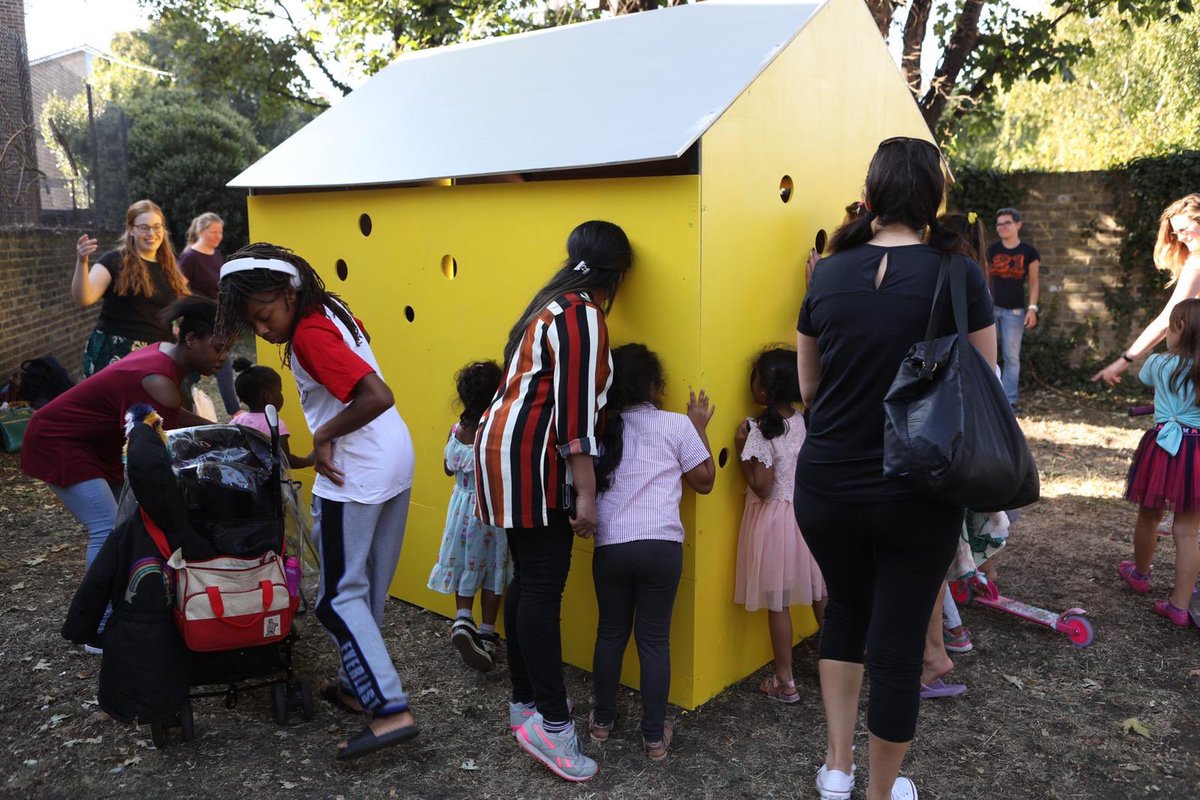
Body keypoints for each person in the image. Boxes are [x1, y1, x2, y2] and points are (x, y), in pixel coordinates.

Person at [795, 136, 996, 800]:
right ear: (933, 196)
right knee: (901, 638)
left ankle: (835, 770)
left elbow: (809, 389)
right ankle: (881, 792)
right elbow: (987, 382)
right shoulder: (957, 272)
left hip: (825, 482)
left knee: (845, 611)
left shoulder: (825, 272)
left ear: (872, 191)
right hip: (916, 486)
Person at [215, 242, 418, 761]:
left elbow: (376, 395)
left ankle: (390, 708)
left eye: (264, 315)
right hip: (393, 457)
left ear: (289, 292)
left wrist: (324, 434)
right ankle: (356, 687)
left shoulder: (306, 333)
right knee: (366, 588)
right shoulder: (330, 309)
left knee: (336, 597)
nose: (262, 330)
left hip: (356, 470)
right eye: (251, 324)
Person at [475, 220, 633, 783]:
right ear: (619, 275)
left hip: (504, 454)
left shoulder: (549, 303)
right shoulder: (582, 315)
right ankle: (554, 725)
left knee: (528, 579)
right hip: (533, 460)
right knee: (543, 585)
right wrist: (586, 492)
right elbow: (574, 414)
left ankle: (524, 704)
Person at [22, 296, 228, 653]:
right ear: (192, 339)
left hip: (94, 442)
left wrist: (220, 431)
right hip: (60, 440)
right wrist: (221, 441)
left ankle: (126, 607)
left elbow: (176, 417)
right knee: (107, 526)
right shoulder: (158, 381)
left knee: (130, 520)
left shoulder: (164, 353)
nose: (222, 358)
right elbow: (167, 443)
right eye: (218, 348)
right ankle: (97, 630)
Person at [588, 344, 715, 762]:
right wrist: (699, 427)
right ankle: (655, 740)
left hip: (611, 545)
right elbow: (704, 480)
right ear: (657, 387)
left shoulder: (601, 427)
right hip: (661, 546)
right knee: (654, 641)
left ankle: (602, 723)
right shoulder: (676, 425)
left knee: (610, 634)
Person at [733, 347, 825, 704]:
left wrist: (743, 452)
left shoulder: (759, 430)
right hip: (805, 515)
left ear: (764, 390)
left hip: (773, 521)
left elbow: (762, 486)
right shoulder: (803, 420)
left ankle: (785, 681)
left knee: (778, 604)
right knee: (821, 593)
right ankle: (842, 662)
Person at [1118, 298, 1200, 629]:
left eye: (1169, 326)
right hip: (1198, 452)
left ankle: (1140, 574)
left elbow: (1146, 381)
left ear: (1179, 328)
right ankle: (1179, 605)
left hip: (1164, 450)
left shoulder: (1158, 363)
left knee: (1149, 515)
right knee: (1188, 531)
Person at [427, 360, 509, 672]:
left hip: (458, 511)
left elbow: (448, 467)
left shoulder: (456, 431)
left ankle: (463, 620)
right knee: (491, 570)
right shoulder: (495, 434)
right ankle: (487, 633)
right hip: (488, 510)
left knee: (463, 563)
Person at [72, 199, 190, 377]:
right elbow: (84, 298)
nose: (151, 233)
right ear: (131, 229)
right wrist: (82, 262)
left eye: (157, 227)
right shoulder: (113, 261)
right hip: (116, 353)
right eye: (144, 227)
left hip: (158, 353)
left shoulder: (169, 267)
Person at [1094, 194, 1200, 387]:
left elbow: (1169, 318)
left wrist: (1124, 360)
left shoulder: (1197, 262)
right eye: (1177, 233)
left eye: (1185, 229)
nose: (1181, 237)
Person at [179, 212, 239, 415]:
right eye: (213, 232)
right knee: (200, 366)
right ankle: (185, 406)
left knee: (223, 363)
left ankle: (234, 410)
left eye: (220, 232)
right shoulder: (190, 257)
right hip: (199, 323)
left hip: (218, 320)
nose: (218, 236)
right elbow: (179, 289)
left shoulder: (216, 254)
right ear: (200, 231)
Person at [986, 207, 1040, 411]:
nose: (1002, 227)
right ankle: (988, 399)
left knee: (1011, 357)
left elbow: (1034, 282)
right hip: (989, 309)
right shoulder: (991, 251)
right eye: (999, 224)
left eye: (1007, 223)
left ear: (1018, 225)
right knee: (986, 355)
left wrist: (1032, 308)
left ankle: (1009, 402)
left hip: (1015, 312)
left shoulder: (1029, 252)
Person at [228, 357, 315, 470]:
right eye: (280, 391)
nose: (281, 395)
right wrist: (309, 460)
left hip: (244, 481)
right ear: (268, 397)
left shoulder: (237, 421)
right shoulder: (275, 424)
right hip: (269, 485)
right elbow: (285, 459)